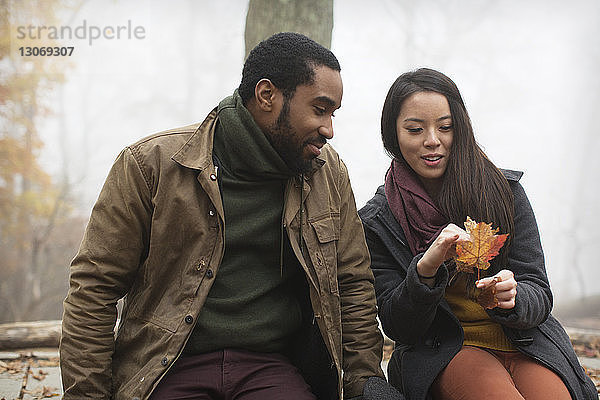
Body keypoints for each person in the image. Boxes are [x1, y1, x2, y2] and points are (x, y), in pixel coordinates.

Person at [60, 32, 401, 400]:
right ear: (267, 95)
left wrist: (364, 385)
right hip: (167, 367)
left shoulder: (327, 174)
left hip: (272, 368)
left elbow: (352, 285)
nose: (328, 129)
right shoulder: (150, 165)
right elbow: (94, 289)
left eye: (333, 113)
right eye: (319, 109)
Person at [359, 68, 598, 400]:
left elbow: (538, 292)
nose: (432, 140)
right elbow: (398, 327)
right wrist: (424, 271)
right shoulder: (378, 221)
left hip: (524, 343)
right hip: (446, 350)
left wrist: (514, 297)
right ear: (393, 134)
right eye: (415, 129)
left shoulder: (504, 192)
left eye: (446, 127)